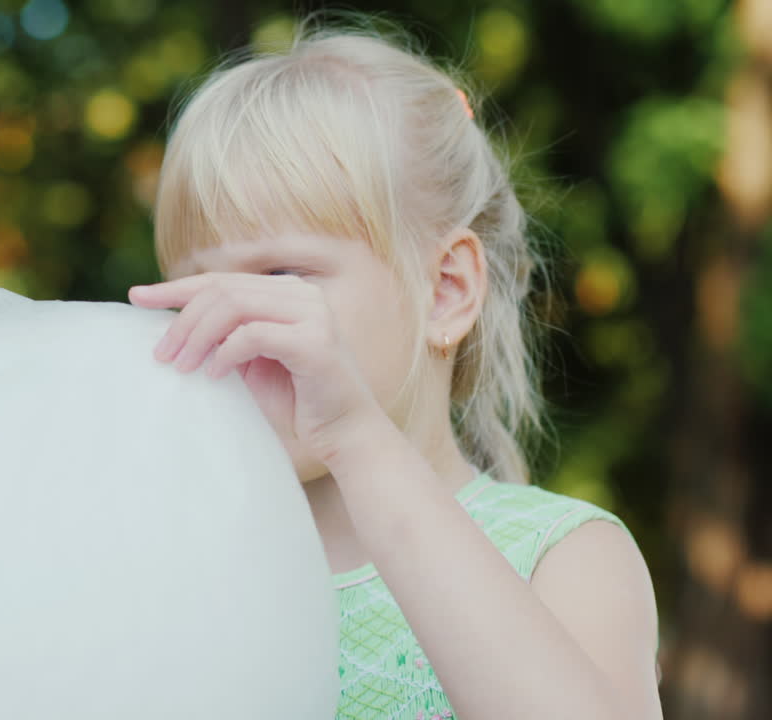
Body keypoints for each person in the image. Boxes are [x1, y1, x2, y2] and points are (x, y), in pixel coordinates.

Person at [127, 22, 663, 720]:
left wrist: (355, 438)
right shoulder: (175, 558)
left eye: (281, 276)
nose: (230, 321)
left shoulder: (564, 557)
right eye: (194, 292)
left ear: (446, 291)